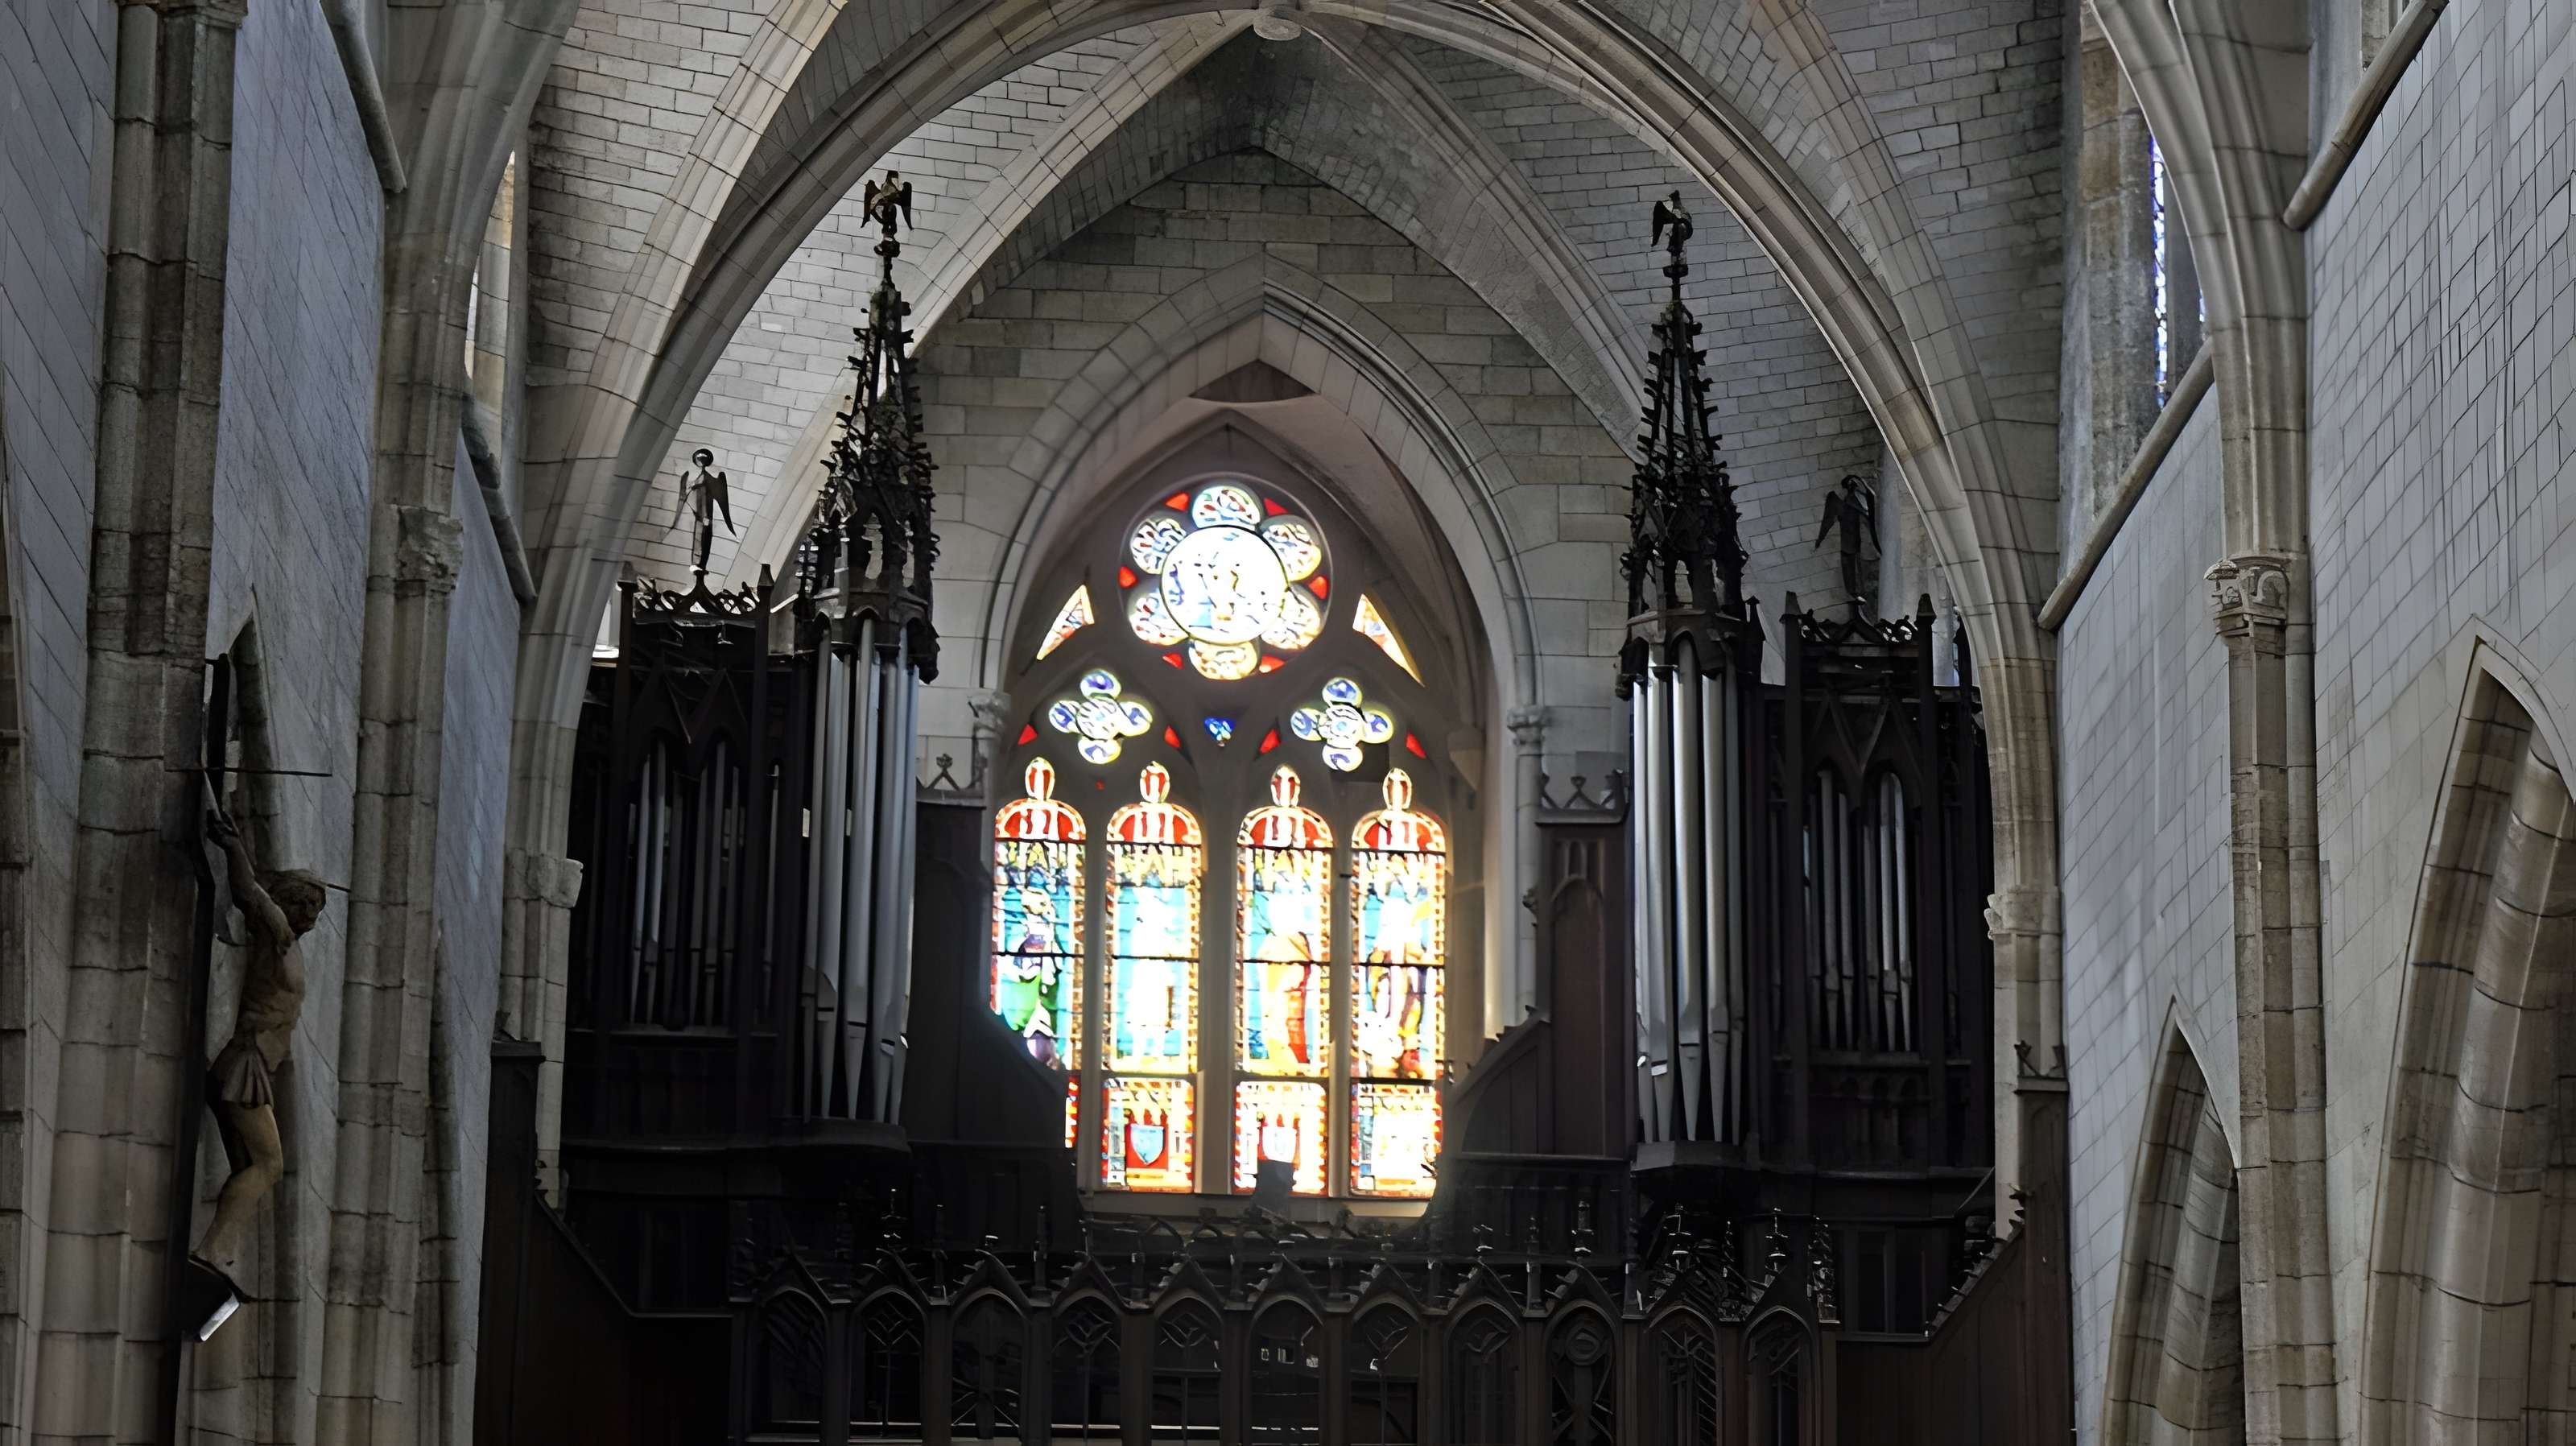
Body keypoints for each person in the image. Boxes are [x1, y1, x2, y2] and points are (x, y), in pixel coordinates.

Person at [192, 812, 328, 1290]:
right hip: (244, 1065)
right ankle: (212, 1250)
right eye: (306, 905)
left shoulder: (291, 946)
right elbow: (251, 893)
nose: (312, 917)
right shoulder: (278, 935)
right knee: (271, 1165)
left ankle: (218, 1252)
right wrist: (234, 848)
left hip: (255, 1067)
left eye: (317, 910)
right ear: (289, 904)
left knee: (251, 1165)